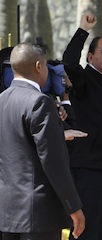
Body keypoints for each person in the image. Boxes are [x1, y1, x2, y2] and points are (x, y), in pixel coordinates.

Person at [0, 42, 85, 240]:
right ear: (38, 66)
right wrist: (73, 206)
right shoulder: (39, 102)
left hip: (7, 213)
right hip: (38, 213)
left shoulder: (2, 100)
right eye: (46, 65)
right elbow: (52, 161)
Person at [62, 11, 102, 240]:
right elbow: (69, 61)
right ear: (90, 58)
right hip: (90, 173)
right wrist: (83, 30)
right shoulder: (85, 81)